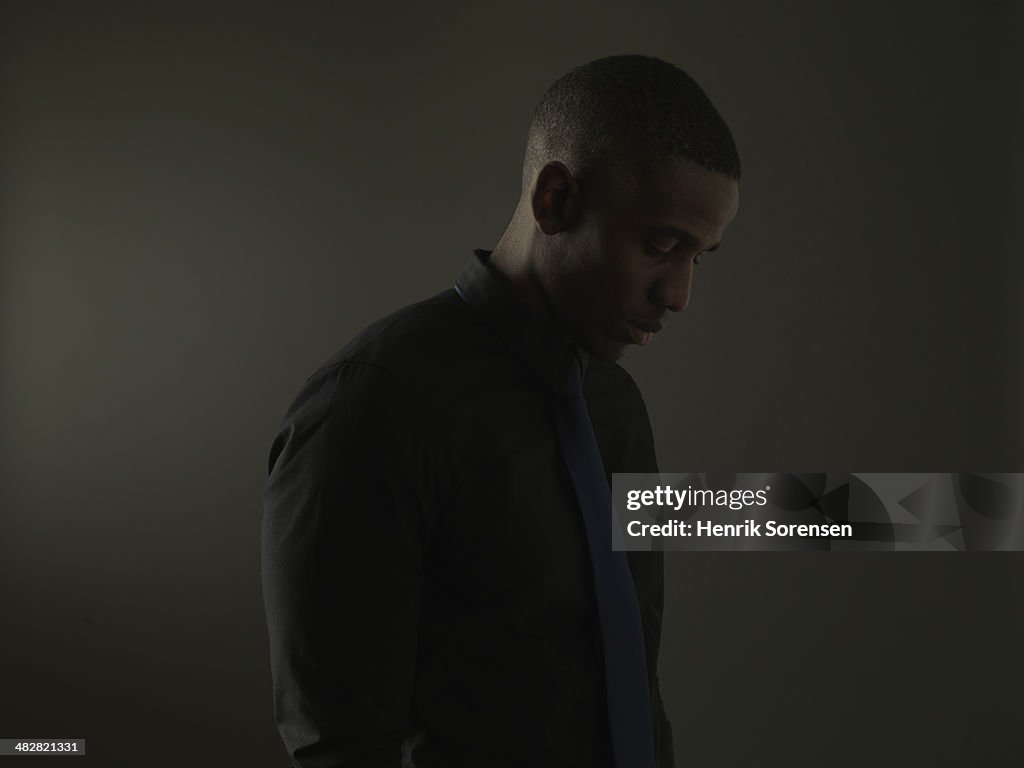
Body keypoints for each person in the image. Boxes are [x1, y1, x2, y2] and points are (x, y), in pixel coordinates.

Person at [261, 53, 741, 768]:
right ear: (556, 200)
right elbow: (342, 744)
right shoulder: (373, 406)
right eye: (661, 247)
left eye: (698, 258)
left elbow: (682, 548)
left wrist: (939, 514)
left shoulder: (613, 402)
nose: (679, 295)